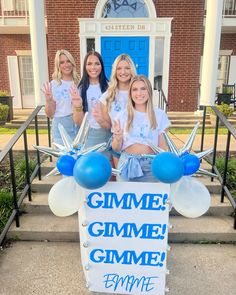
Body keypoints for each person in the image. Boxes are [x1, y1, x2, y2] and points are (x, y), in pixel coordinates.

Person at [112, 75, 170, 182]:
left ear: (149, 91)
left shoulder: (160, 115)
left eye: (143, 89)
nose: (139, 93)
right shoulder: (122, 116)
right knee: (126, 198)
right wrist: (118, 138)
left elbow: (163, 147)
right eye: (135, 89)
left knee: (150, 197)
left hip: (152, 165)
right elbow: (116, 148)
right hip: (127, 164)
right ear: (130, 94)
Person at [70, 50, 111, 153]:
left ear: (101, 66)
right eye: (89, 64)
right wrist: (78, 106)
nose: (93, 67)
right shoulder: (80, 89)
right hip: (88, 136)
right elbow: (79, 122)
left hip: (107, 133)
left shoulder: (110, 87)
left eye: (97, 63)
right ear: (85, 67)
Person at [42, 50, 80, 145]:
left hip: (78, 126)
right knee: (63, 159)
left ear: (72, 63)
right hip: (60, 128)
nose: (66, 65)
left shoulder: (80, 83)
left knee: (79, 159)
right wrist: (48, 100)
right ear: (58, 66)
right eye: (62, 62)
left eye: (68, 61)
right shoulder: (53, 85)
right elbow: (50, 114)